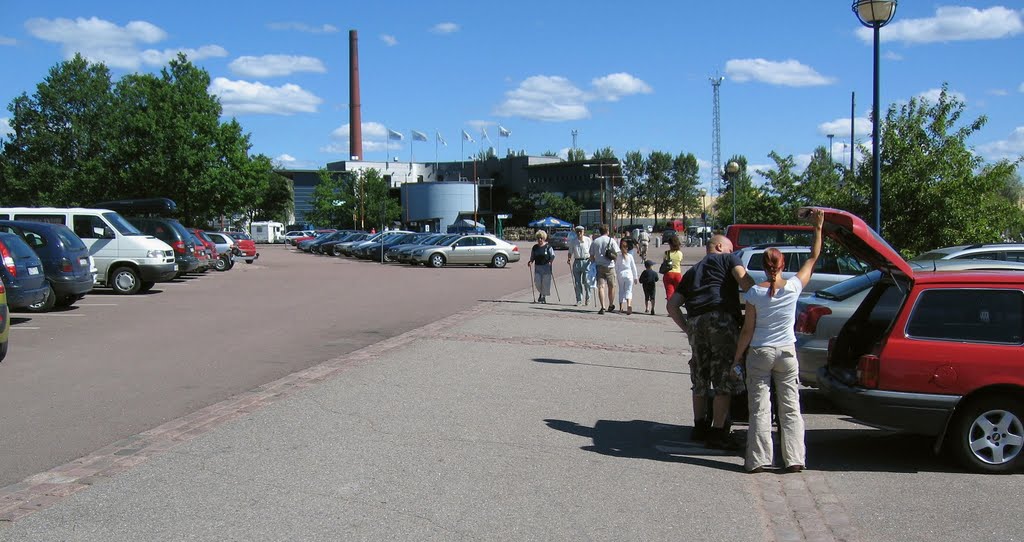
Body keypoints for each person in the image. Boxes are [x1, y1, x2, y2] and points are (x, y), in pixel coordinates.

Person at [735, 209, 824, 474]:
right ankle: (794, 458)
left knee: (760, 409)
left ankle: (759, 459)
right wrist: (818, 228)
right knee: (790, 408)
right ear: (783, 265)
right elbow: (813, 257)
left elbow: (747, 331)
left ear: (763, 267)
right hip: (786, 353)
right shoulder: (794, 287)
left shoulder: (753, 293)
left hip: (760, 353)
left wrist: (737, 357)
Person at [666, 234, 755, 450]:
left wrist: (688, 329)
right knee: (723, 374)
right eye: (730, 248)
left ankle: (699, 426)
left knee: (700, 375)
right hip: (721, 319)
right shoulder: (728, 260)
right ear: (718, 247)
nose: (733, 253)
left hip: (696, 321)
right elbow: (745, 281)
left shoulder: (693, 271)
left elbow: (672, 306)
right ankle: (717, 431)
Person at [589, 224, 618, 315]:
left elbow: (591, 255)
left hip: (599, 266)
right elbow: (617, 253)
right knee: (612, 286)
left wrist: (594, 261)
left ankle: (603, 306)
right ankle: (611, 304)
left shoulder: (595, 241)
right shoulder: (611, 240)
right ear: (608, 231)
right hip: (610, 266)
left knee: (601, 287)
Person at [567, 225, 592, 306]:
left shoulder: (588, 240)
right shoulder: (573, 241)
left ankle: (588, 298)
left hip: (586, 261)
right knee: (577, 283)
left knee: (586, 281)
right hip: (577, 262)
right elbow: (570, 251)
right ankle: (579, 300)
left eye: (580, 231)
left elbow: (591, 251)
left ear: (583, 232)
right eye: (577, 231)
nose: (579, 233)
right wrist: (569, 258)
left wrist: (593, 259)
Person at [528, 230, 555, 304]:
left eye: (541, 238)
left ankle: (543, 296)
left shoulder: (548, 246)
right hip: (538, 267)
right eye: (538, 238)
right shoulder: (535, 247)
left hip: (546, 267)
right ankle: (541, 293)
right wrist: (530, 262)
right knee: (537, 282)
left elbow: (552, 255)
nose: (540, 239)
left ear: (544, 238)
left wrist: (550, 261)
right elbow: (532, 256)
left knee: (545, 283)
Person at [615, 238, 639, 315]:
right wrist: (635, 277)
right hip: (629, 275)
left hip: (621, 275)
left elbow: (616, 267)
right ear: (627, 248)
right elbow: (633, 267)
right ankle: (629, 305)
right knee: (629, 290)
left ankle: (621, 308)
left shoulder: (618, 257)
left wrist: (616, 275)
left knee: (621, 290)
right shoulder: (630, 256)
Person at [662, 235, 684, 300]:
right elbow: (680, 262)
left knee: (669, 293)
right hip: (677, 274)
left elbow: (664, 263)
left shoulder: (666, 253)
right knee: (679, 293)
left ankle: (670, 306)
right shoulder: (680, 253)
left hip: (668, 274)